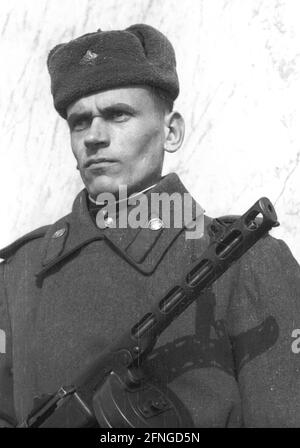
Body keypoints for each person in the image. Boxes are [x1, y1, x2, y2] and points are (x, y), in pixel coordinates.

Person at [0, 23, 300, 428]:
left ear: (170, 132)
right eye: (79, 122)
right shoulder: (20, 273)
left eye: (118, 114)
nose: (95, 137)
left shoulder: (245, 262)